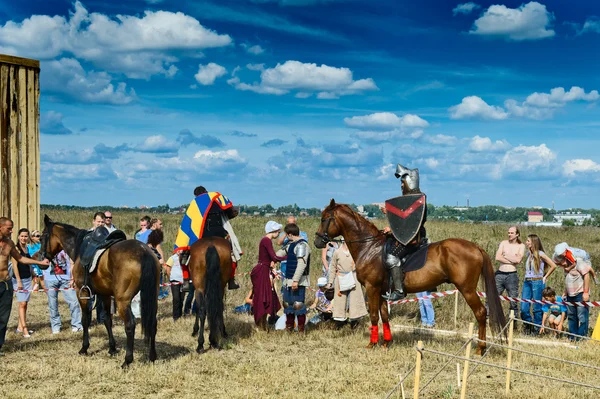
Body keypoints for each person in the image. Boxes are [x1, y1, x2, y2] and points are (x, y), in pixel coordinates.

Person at [174, 186, 242, 290]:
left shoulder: (195, 203)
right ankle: (231, 280)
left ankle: (186, 281)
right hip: (220, 233)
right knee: (232, 254)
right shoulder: (217, 197)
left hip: (201, 235)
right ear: (206, 192)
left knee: (183, 255)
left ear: (196, 195)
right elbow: (230, 212)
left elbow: (188, 223)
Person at [0, 217, 49, 353]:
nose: (11, 231)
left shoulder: (9, 243)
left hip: (5, 284)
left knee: (3, 318)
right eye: (9, 228)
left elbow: (20, 258)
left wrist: (39, 263)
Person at [382, 164, 428, 301]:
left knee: (391, 257)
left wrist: (391, 227)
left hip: (413, 237)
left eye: (403, 183)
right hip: (406, 235)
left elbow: (411, 221)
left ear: (409, 182)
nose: (401, 186)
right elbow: (402, 217)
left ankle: (399, 290)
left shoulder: (418, 198)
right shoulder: (409, 199)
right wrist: (390, 215)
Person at [250, 221, 286, 330]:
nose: (278, 234)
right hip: (263, 271)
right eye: (278, 232)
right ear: (273, 231)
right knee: (263, 298)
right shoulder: (266, 240)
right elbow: (274, 257)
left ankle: (263, 325)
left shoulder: (265, 240)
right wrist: (287, 258)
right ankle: (261, 325)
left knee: (265, 297)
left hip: (264, 270)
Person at [553, 243, 593, 340]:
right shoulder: (566, 267)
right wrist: (565, 292)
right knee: (571, 317)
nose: (561, 264)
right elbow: (568, 280)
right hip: (570, 295)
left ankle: (581, 337)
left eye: (561, 262)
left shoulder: (578, 262)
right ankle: (572, 336)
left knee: (582, 317)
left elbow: (587, 276)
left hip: (580, 294)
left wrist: (586, 292)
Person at [276, 223, 311, 333]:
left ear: (290, 234)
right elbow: (281, 253)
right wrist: (272, 258)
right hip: (288, 280)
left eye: (286, 235)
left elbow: (301, 264)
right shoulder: (292, 244)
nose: (286, 237)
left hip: (298, 281)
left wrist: (295, 280)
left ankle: (301, 330)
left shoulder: (302, 245)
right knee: (288, 305)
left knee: (298, 305)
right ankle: (289, 328)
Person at [520, 234, 557, 335]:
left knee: (537, 307)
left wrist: (545, 277)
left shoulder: (540, 254)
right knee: (524, 307)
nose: (526, 242)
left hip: (537, 281)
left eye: (528, 241)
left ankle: (536, 330)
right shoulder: (529, 254)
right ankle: (528, 325)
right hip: (527, 281)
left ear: (533, 242)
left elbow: (553, 265)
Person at [327, 240, 368, 328]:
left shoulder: (355, 251)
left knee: (355, 299)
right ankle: (340, 322)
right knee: (340, 300)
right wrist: (330, 282)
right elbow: (333, 267)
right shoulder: (337, 252)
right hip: (340, 276)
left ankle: (354, 321)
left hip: (353, 276)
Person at [45, 250, 82, 334]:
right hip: (50, 279)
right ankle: (55, 327)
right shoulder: (48, 246)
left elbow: (72, 263)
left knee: (74, 302)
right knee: (53, 304)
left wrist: (72, 278)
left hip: (66, 279)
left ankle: (77, 325)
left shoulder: (66, 247)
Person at [494, 226, 525, 318]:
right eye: (509, 233)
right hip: (500, 273)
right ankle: (489, 318)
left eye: (512, 233)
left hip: (512, 275)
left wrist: (506, 255)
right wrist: (512, 260)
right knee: (493, 297)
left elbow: (518, 260)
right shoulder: (503, 243)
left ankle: (513, 322)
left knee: (513, 300)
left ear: (517, 234)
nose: (509, 235)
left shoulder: (521, 246)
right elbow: (498, 257)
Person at [12, 228, 36, 337]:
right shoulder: (16, 249)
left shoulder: (26, 249)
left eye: (26, 236)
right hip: (19, 280)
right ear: (18, 237)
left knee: (25, 304)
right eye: (22, 236)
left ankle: (20, 327)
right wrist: (18, 281)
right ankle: (25, 330)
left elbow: (28, 263)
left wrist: (33, 274)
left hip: (27, 278)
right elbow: (15, 266)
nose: (23, 238)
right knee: (22, 303)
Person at [165, 252, 184, 321]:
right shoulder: (172, 258)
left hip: (183, 281)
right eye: (179, 250)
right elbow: (167, 269)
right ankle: (175, 316)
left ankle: (180, 314)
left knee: (181, 298)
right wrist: (170, 278)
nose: (180, 251)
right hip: (174, 280)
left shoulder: (185, 258)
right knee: (176, 298)